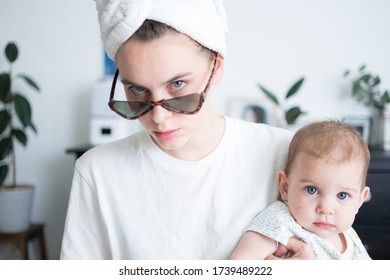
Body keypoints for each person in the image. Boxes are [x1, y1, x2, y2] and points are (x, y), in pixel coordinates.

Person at [60, 0, 315, 259]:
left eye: (178, 84)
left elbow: (344, 249)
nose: (158, 117)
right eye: (137, 89)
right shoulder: (97, 172)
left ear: (216, 67)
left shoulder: (287, 153)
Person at [229, 120, 371, 260]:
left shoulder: (349, 235)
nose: (326, 208)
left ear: (359, 200)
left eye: (342, 195)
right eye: (311, 190)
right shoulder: (281, 221)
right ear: (285, 187)